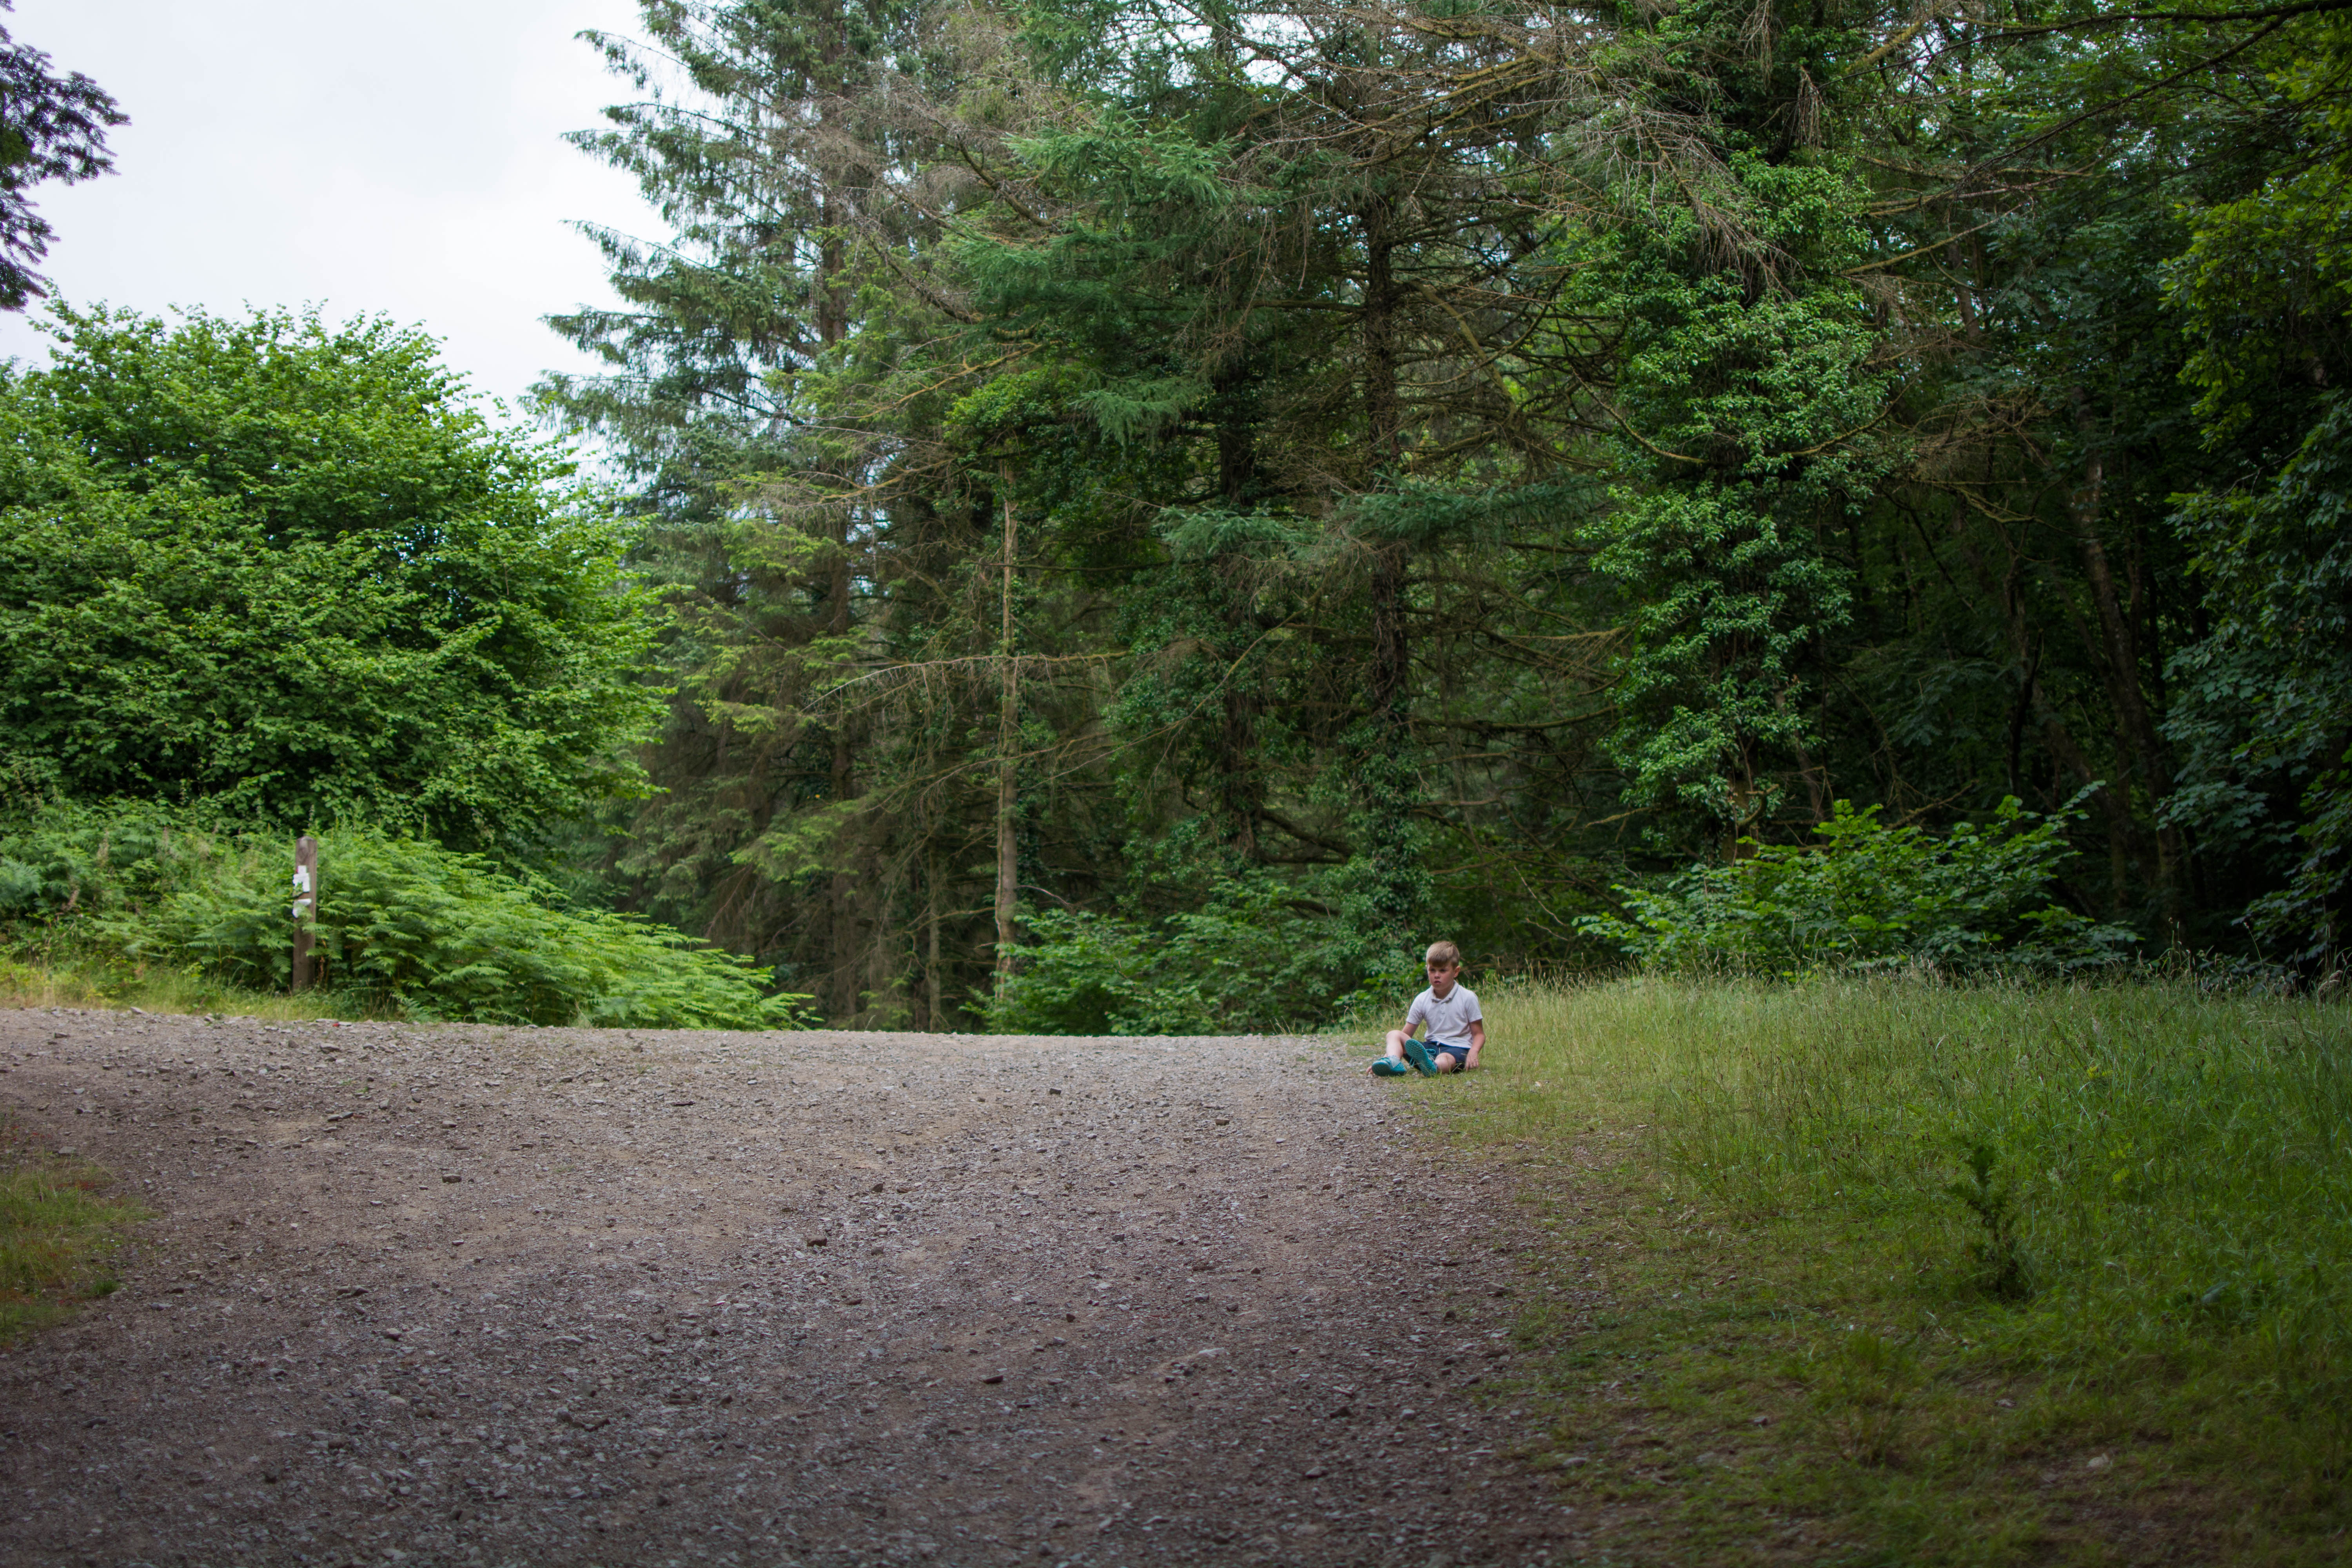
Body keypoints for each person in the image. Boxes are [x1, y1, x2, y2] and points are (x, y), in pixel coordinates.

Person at [1369, 941, 1483, 1076]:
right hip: (1430, 1049)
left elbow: (1479, 1034)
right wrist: (1386, 1057)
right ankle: (1392, 1062)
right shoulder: (1422, 999)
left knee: (1445, 1058)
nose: (1437, 975)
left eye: (1443, 971)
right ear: (1427, 969)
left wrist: (1473, 1052)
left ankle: (1433, 1067)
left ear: (1456, 972)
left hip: (1457, 1048)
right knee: (1394, 1034)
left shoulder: (1467, 997)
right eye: (1432, 970)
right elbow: (1406, 1035)